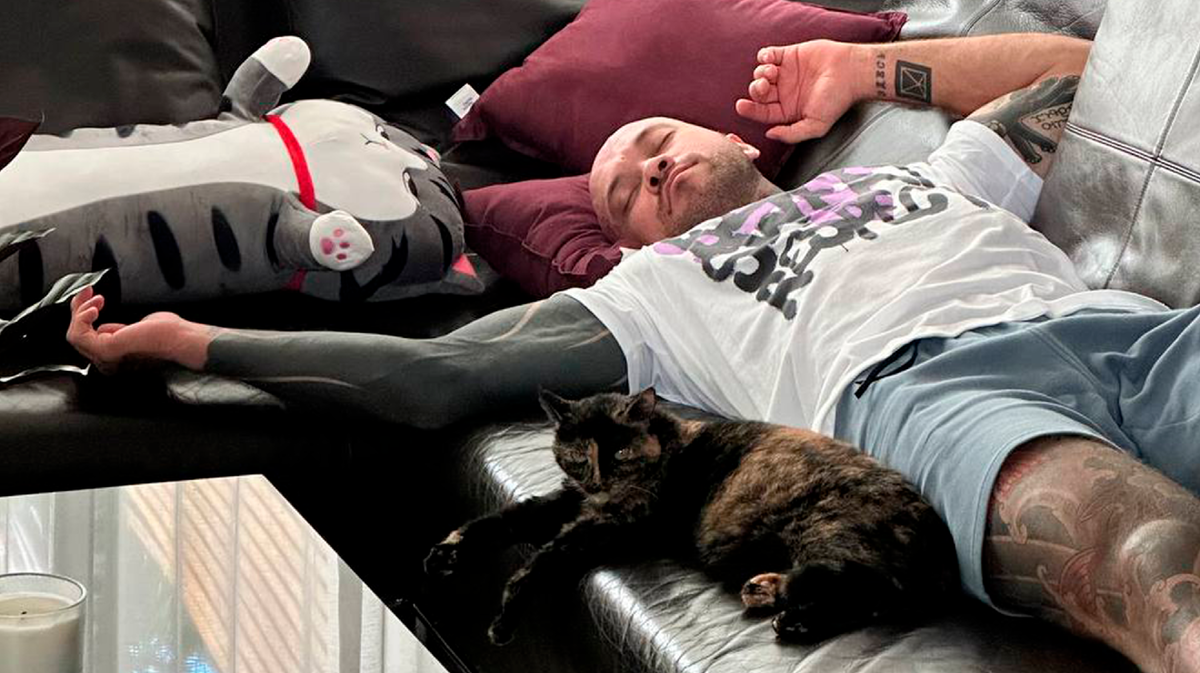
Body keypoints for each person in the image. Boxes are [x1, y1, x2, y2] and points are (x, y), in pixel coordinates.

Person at [65, 32, 1200, 673]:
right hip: (923, 392)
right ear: (627, 243)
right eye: (628, 193)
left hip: (1126, 332)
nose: (652, 169)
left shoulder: (924, 172)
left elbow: (1106, 74)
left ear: (722, 133)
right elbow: (426, 377)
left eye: (655, 142)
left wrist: (864, 72)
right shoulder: (654, 296)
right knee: (1150, 553)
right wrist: (186, 338)